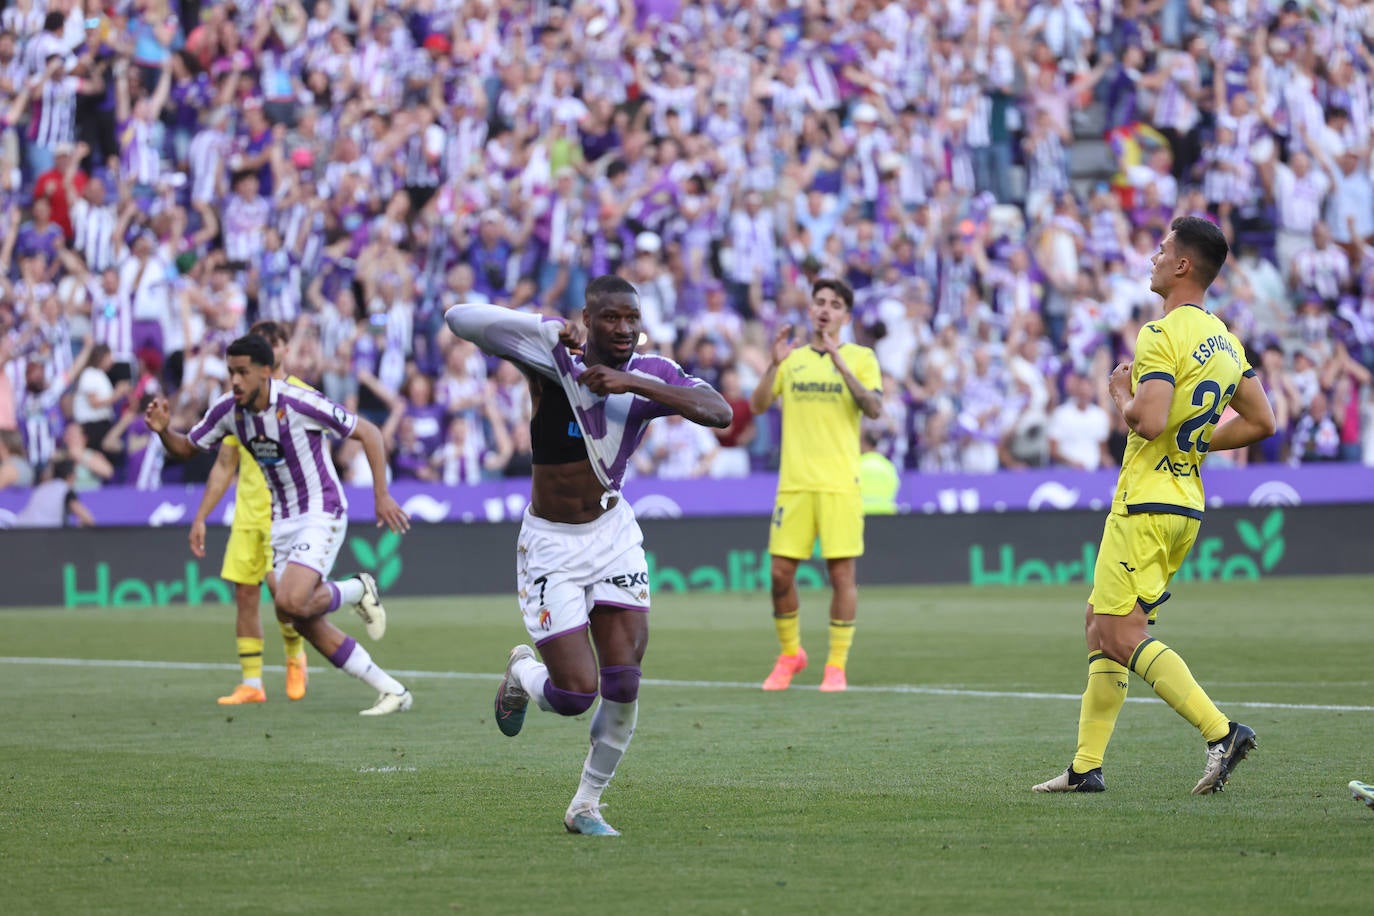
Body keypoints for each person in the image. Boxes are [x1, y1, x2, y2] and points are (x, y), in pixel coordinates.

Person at [445, 275, 731, 837]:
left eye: (631, 318)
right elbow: (460, 317)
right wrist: (545, 326)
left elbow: (718, 412)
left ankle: (586, 805)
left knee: (623, 681)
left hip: (612, 533)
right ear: (589, 317)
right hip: (551, 543)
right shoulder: (551, 357)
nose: (623, 329)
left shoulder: (647, 373)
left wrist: (629, 383)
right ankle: (522, 672)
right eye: (610, 319)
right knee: (576, 695)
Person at [1033, 218, 1277, 796]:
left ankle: (1221, 732)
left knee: (1120, 635)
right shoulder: (1224, 341)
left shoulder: (1160, 334)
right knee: (1101, 624)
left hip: (1145, 501)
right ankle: (1085, 768)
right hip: (1184, 504)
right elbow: (1263, 420)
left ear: (1184, 266)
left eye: (1163, 249)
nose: (1154, 257)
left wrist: (1119, 391)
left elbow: (1147, 419)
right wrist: (1197, 441)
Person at [145, 334, 416, 716]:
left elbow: (368, 432)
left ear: (266, 371)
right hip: (281, 520)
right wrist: (161, 430)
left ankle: (356, 589)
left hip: (321, 510)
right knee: (296, 616)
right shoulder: (228, 411)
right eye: (230, 372)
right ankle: (392, 690)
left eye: (243, 372)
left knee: (289, 601)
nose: (235, 381)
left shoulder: (299, 402)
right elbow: (187, 448)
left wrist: (381, 495)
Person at [186, 321, 348, 706]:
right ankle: (252, 682)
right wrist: (201, 516)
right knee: (244, 595)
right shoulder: (237, 404)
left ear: (283, 350)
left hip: (292, 514)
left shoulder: (302, 397)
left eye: (276, 343)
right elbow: (225, 463)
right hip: (248, 512)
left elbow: (324, 452)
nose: (272, 351)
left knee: (285, 598)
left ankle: (295, 659)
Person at [749, 278, 883, 693]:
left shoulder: (861, 357)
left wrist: (840, 364)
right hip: (795, 484)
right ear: (811, 310)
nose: (826, 309)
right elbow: (756, 406)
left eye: (835, 304)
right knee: (778, 575)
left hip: (840, 484)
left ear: (846, 315)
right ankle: (791, 654)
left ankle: (836, 666)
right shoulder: (792, 360)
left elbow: (875, 408)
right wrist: (773, 363)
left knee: (841, 576)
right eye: (820, 302)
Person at [858, 430, 899, 515]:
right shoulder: (888, 466)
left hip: (861, 513)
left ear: (864, 443)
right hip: (886, 514)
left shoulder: (857, 465)